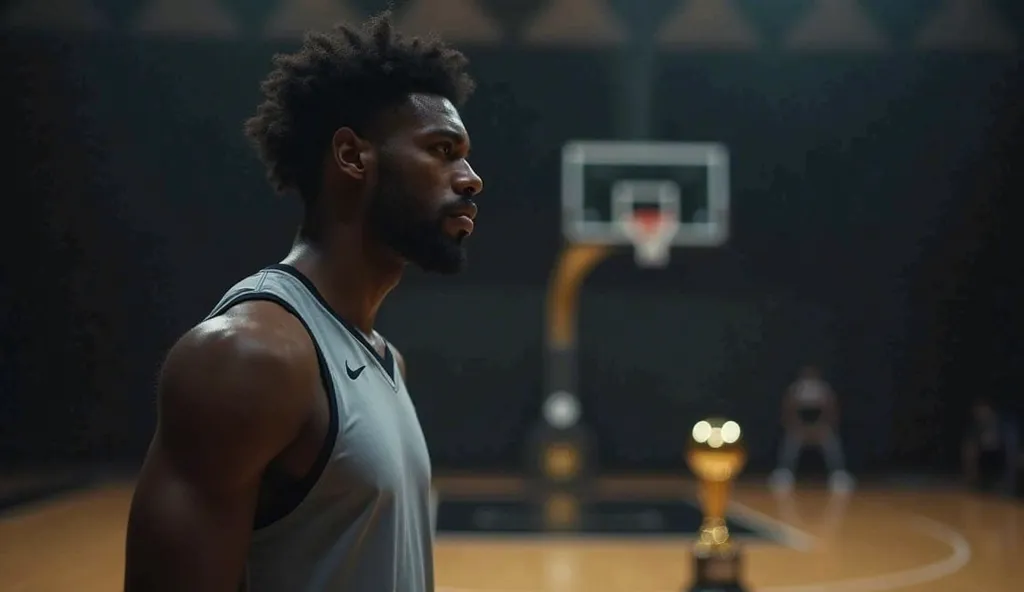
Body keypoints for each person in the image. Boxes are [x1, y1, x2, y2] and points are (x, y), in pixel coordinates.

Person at [124, 12, 483, 592]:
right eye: (442, 150)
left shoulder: (384, 358)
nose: (470, 179)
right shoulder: (249, 356)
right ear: (351, 156)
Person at [769, 365, 853, 493]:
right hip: (799, 427)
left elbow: (831, 410)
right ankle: (784, 473)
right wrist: (798, 425)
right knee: (791, 442)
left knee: (831, 442)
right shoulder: (795, 389)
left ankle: (838, 474)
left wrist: (821, 426)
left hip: (820, 426)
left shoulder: (824, 389)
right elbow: (789, 410)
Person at [962, 397, 1018, 494]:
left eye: (982, 411)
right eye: (977, 412)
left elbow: (1011, 453)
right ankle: (978, 482)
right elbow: (970, 449)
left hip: (1001, 465)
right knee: (970, 449)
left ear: (989, 410)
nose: (979, 414)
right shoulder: (977, 428)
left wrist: (1007, 481)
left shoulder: (1004, 427)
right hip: (985, 468)